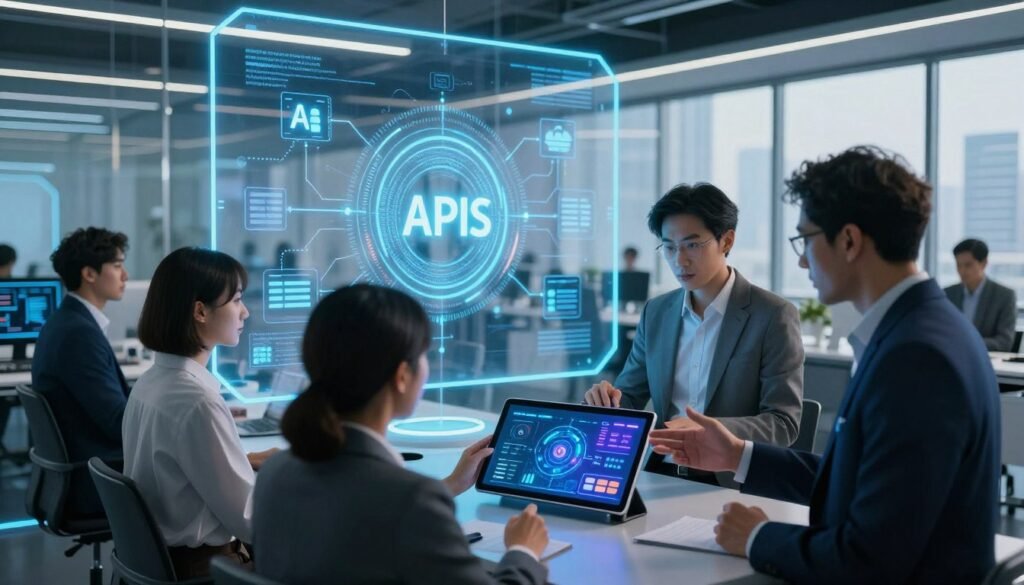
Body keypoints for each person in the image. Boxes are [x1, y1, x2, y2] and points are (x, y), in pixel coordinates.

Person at [649, 146, 1000, 584]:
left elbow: (868, 560)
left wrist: (759, 537)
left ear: (849, 241)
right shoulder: (918, 329)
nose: (800, 260)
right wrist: (737, 454)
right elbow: (858, 481)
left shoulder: (917, 356)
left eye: (805, 240)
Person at [253, 284, 549, 585]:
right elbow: (392, 509)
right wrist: (524, 549)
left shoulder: (276, 471)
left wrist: (447, 486)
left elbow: (363, 523)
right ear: (402, 376)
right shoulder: (411, 502)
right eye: (423, 356)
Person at [585, 183, 803, 481]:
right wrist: (605, 400)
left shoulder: (772, 315)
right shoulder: (657, 313)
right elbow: (630, 397)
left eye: (692, 245)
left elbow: (783, 423)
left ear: (726, 241)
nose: (679, 260)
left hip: (729, 479)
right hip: (659, 471)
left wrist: (707, 430)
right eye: (669, 247)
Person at [122, 247, 277, 578]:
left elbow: (171, 467)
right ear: (200, 312)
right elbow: (250, 521)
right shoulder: (197, 402)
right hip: (207, 569)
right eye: (236, 300)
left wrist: (242, 461)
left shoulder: (151, 382)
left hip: (163, 562)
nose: (245, 313)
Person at [32, 227, 129, 517]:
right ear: (89, 274)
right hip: (96, 478)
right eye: (117, 266)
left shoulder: (69, 321)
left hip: (85, 467)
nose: (124, 275)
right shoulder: (78, 334)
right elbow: (117, 422)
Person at [944, 238, 1017, 351]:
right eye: (958, 265)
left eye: (968, 265)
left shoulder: (1004, 296)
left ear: (984, 263)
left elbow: (1004, 341)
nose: (962, 271)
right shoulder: (948, 294)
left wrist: (969, 343)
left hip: (986, 361)